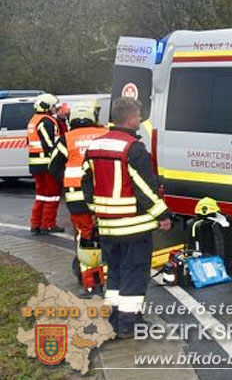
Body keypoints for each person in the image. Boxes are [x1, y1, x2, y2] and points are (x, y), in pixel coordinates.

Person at [82, 97, 171, 338]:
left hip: (107, 226)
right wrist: (163, 214)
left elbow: (86, 181)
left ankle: (113, 319)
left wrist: (96, 208)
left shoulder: (95, 146)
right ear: (131, 119)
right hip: (134, 227)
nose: (140, 119)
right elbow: (144, 187)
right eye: (139, 116)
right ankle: (128, 325)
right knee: (134, 275)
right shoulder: (133, 148)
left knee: (115, 274)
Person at [49, 102, 108, 241]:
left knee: (83, 232)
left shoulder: (66, 139)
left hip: (75, 193)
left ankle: (85, 251)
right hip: (103, 191)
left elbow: (53, 167)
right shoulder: (105, 134)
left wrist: (66, 181)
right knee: (105, 230)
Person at [27, 93, 65, 235]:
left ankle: (36, 224)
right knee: (52, 195)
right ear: (47, 106)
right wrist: (59, 161)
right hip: (47, 165)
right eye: (54, 106)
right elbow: (49, 145)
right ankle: (48, 224)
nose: (55, 109)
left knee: (41, 196)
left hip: (36, 165)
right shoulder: (46, 121)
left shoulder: (33, 120)